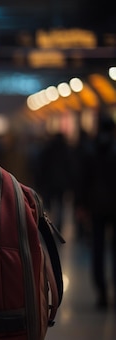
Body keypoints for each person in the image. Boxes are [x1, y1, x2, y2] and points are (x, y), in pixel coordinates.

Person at [76, 112, 116, 310]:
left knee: (98, 249)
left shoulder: (90, 150)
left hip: (96, 206)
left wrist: (81, 205)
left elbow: (83, 181)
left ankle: (101, 293)